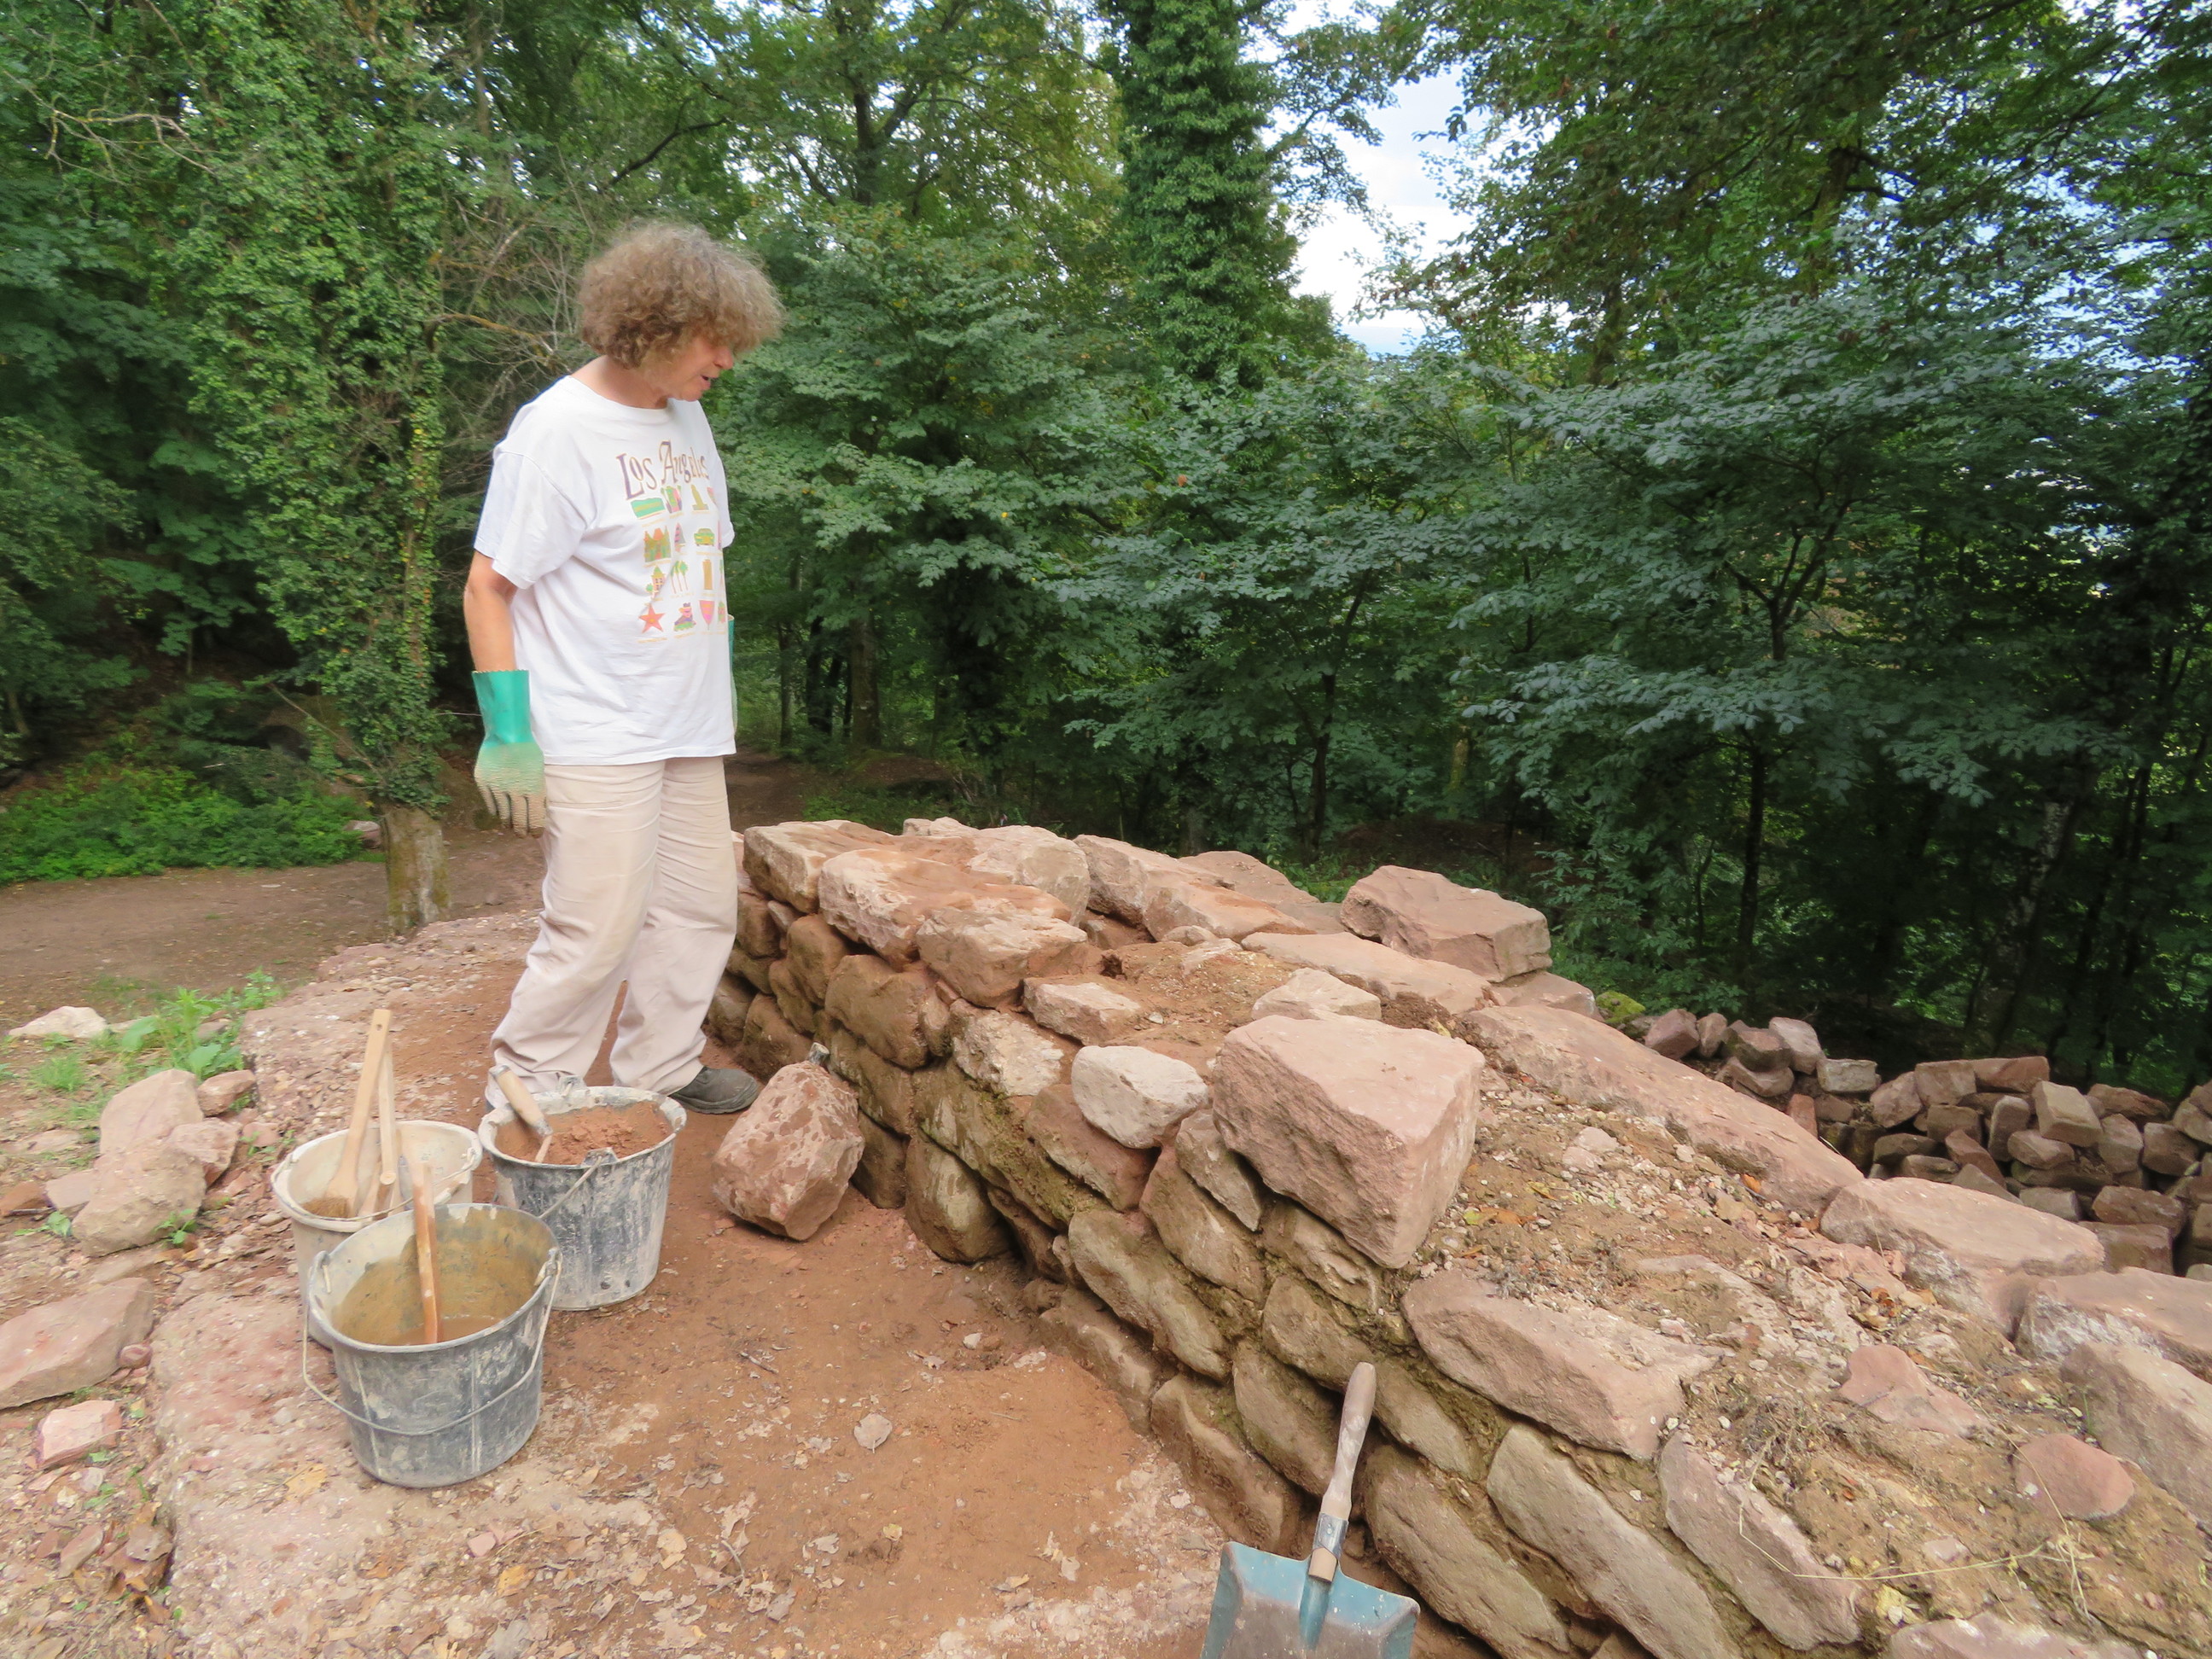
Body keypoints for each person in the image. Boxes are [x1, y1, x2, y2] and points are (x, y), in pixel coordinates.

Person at [463, 222, 783, 1115]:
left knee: (699, 909)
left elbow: (693, 560)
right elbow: (487, 586)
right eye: (712, 339)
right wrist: (509, 733)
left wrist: (712, 682)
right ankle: (531, 1091)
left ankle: (660, 1066)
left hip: (685, 719)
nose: (727, 359)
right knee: (595, 926)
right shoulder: (556, 433)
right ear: (652, 327)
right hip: (594, 723)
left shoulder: (686, 414)